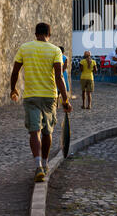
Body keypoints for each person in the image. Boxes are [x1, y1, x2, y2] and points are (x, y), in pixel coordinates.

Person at [10, 23, 72, 183]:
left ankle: (38, 165)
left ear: (35, 33)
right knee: (47, 131)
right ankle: (45, 164)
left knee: (34, 131)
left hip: (31, 96)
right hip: (49, 97)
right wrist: (65, 99)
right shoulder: (55, 50)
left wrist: (13, 89)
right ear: (49, 34)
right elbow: (59, 77)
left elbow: (15, 71)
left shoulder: (25, 48)